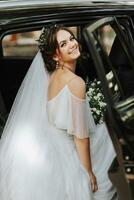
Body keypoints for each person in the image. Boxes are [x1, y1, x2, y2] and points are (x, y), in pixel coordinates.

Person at [0, 25, 117, 200]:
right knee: (111, 138)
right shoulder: (76, 83)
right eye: (63, 44)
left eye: (71, 38)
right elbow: (80, 136)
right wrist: (88, 172)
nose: (72, 44)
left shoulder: (52, 76)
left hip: (52, 142)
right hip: (67, 150)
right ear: (55, 55)